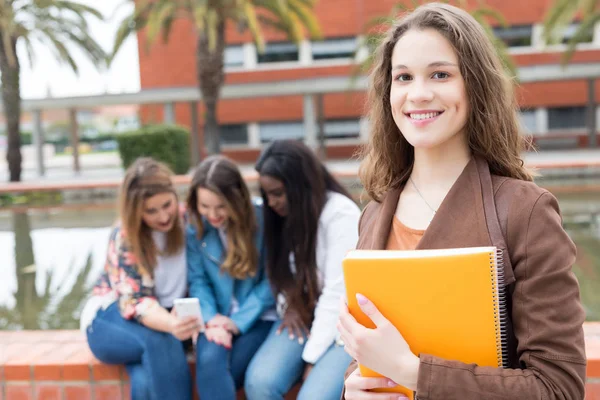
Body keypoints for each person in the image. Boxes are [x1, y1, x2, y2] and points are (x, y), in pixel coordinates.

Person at [337, 3, 586, 400]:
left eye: (440, 74)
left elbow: (558, 388)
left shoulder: (526, 211)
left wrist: (412, 373)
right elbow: (367, 350)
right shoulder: (373, 215)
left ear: (475, 84)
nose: (418, 94)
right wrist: (354, 389)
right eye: (403, 77)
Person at [244, 140, 361, 400]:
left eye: (277, 193)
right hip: (305, 318)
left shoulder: (340, 215)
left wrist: (310, 358)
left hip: (344, 327)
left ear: (300, 186)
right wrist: (290, 306)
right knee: (260, 383)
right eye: (266, 194)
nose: (271, 202)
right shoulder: (284, 217)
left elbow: (336, 294)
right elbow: (282, 274)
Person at [82, 157, 198, 400]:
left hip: (163, 316)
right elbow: (135, 301)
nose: (164, 216)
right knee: (162, 341)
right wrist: (171, 325)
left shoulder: (188, 220)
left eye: (167, 204)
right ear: (135, 211)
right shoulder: (125, 236)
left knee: (145, 381)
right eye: (151, 211)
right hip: (110, 318)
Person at [186, 155, 276, 400]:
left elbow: (273, 279)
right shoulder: (195, 227)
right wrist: (212, 318)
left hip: (257, 316)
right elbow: (198, 280)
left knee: (229, 371)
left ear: (236, 199)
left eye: (221, 206)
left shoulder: (263, 220)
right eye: (205, 206)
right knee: (209, 361)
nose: (212, 214)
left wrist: (237, 321)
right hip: (215, 316)